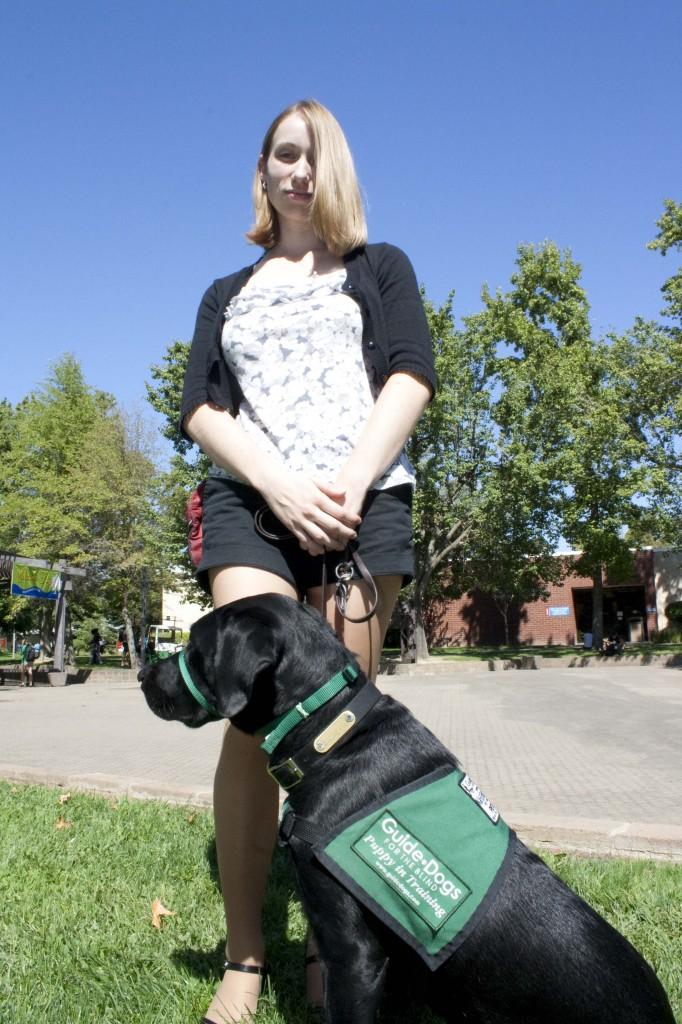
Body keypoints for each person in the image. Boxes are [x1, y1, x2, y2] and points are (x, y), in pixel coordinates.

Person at [180, 99, 435, 1024]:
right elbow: (202, 409)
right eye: (283, 156)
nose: (298, 172)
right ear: (262, 170)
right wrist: (282, 488)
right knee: (254, 713)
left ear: (336, 172)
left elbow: (409, 373)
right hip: (254, 504)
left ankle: (337, 951)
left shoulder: (381, 268)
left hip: (363, 504)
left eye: (314, 157)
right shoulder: (226, 293)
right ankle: (247, 956)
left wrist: (351, 487)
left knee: (335, 738)